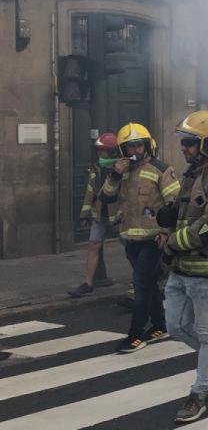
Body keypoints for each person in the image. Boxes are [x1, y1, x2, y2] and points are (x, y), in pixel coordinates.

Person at [157, 110, 208, 423]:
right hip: (181, 268)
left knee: (207, 333)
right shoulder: (190, 175)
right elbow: (185, 215)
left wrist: (172, 244)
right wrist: (167, 219)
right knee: (175, 326)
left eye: (190, 142)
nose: (184, 148)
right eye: (184, 142)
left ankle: (198, 394)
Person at [100, 123, 179, 353]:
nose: (135, 151)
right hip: (130, 239)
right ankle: (160, 324)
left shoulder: (161, 169)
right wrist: (115, 174)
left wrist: (167, 232)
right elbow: (105, 197)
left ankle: (135, 335)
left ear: (146, 145)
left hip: (154, 239)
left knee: (141, 284)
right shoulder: (120, 172)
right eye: (130, 147)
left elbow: (173, 204)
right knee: (149, 284)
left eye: (138, 145)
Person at [68, 133, 119, 297]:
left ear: (111, 152)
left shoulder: (122, 168)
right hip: (99, 215)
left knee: (132, 248)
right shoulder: (96, 169)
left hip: (118, 215)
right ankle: (88, 284)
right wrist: (84, 214)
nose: (99, 154)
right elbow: (90, 192)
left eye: (102, 150)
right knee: (93, 246)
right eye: (98, 150)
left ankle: (138, 282)